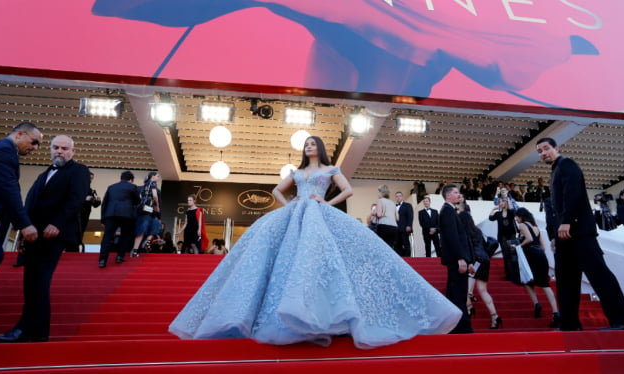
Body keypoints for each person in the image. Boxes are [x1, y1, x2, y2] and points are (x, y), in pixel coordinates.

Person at [169, 136, 461, 349]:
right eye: (306, 144)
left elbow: (346, 191)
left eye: (312, 144)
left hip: (319, 213)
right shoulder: (296, 173)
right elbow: (276, 190)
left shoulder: (331, 169)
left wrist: (326, 201)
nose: (308, 147)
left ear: (319, 148)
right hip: (296, 213)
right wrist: (290, 202)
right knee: (287, 258)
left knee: (325, 256)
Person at [0, 135, 90, 343]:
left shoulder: (78, 170)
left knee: (37, 282)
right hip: (34, 236)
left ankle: (26, 329)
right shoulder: (44, 174)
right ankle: (37, 332)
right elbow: (30, 203)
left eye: (65, 148)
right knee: (33, 282)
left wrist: (58, 224)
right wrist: (22, 233)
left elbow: (76, 200)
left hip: (54, 235)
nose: (60, 151)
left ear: (73, 151)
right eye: (56, 147)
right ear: (50, 149)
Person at [536, 137, 624, 331]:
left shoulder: (567, 164)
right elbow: (557, 206)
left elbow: (573, 194)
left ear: (556, 148)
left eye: (546, 148)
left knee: (599, 275)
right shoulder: (555, 171)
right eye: (539, 151)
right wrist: (555, 237)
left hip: (580, 233)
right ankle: (570, 324)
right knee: (566, 280)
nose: (543, 153)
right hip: (565, 237)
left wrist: (568, 221)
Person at [0, 122, 40, 277]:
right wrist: (24, 224)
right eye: (34, 142)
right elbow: (9, 189)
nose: (35, 148)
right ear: (20, 134)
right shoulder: (4, 151)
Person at [457, 197, 501, 329]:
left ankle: (469, 309)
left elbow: (467, 248)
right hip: (485, 260)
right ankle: (495, 316)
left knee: (466, 291)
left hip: (475, 261)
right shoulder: (477, 231)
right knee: (482, 290)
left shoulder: (464, 233)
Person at [514, 208, 560, 328]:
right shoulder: (536, 227)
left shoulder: (522, 226)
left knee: (527, 281)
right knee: (545, 285)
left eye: (517, 217)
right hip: (541, 255)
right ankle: (555, 312)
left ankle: (536, 304)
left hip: (530, 255)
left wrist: (518, 246)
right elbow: (543, 247)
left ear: (521, 217)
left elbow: (528, 239)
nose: (516, 219)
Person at [438, 184, 474, 334]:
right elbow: (452, 237)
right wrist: (460, 258)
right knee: (459, 293)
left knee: (454, 292)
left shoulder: (449, 211)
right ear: (448, 196)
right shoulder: (447, 211)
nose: (459, 195)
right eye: (455, 192)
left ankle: (454, 326)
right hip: (456, 258)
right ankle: (462, 326)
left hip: (456, 257)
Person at [98, 171, 140, 268]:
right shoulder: (133, 187)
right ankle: (119, 256)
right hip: (126, 215)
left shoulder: (111, 187)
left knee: (107, 237)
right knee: (125, 236)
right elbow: (137, 201)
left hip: (111, 214)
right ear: (131, 180)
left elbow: (104, 203)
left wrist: (103, 219)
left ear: (121, 178)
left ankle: (102, 260)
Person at [489, 198, 519, 284]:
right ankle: (509, 276)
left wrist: (509, 203)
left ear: (505, 202)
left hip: (512, 236)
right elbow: (490, 218)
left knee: (513, 255)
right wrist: (493, 209)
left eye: (502, 201)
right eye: (499, 202)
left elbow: (514, 212)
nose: (500, 203)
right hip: (503, 237)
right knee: (506, 256)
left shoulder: (510, 212)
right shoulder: (498, 214)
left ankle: (516, 276)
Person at [132, 171, 161, 257]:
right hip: (148, 209)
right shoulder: (153, 183)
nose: (158, 177)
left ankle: (135, 251)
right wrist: (157, 205)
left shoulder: (145, 185)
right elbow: (155, 196)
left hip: (142, 209)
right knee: (156, 225)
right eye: (157, 176)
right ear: (152, 177)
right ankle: (147, 242)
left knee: (142, 229)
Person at [72, 171, 101, 252]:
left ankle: (78, 245)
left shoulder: (91, 191)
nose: (90, 180)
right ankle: (74, 248)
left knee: (82, 230)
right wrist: (84, 199)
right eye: (89, 178)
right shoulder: (77, 188)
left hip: (86, 214)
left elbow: (94, 205)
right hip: (77, 214)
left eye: (92, 179)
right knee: (76, 231)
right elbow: (72, 200)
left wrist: (98, 201)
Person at [374, 185, 398, 249]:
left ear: (381, 192)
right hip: (394, 227)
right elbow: (397, 218)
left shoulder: (380, 200)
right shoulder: (393, 202)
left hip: (384, 226)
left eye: (378, 192)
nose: (377, 194)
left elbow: (379, 215)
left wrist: (375, 213)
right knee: (390, 248)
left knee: (382, 247)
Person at [394, 191, 413, 257]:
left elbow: (410, 216)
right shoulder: (394, 206)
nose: (398, 197)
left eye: (399, 196)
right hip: (396, 229)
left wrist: (409, 225)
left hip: (404, 228)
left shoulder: (408, 205)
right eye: (396, 196)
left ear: (402, 197)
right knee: (397, 245)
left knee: (406, 244)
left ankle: (409, 260)